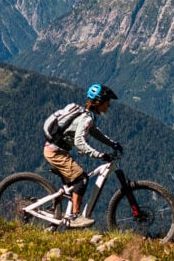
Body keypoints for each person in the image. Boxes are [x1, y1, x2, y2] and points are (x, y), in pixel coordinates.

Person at [43, 83, 123, 228]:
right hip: (55, 153)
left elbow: (94, 132)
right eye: (107, 102)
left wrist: (112, 143)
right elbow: (79, 141)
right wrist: (99, 155)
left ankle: (55, 210)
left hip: (57, 150)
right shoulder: (86, 118)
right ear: (98, 102)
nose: (109, 106)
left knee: (71, 186)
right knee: (81, 178)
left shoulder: (88, 116)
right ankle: (75, 216)